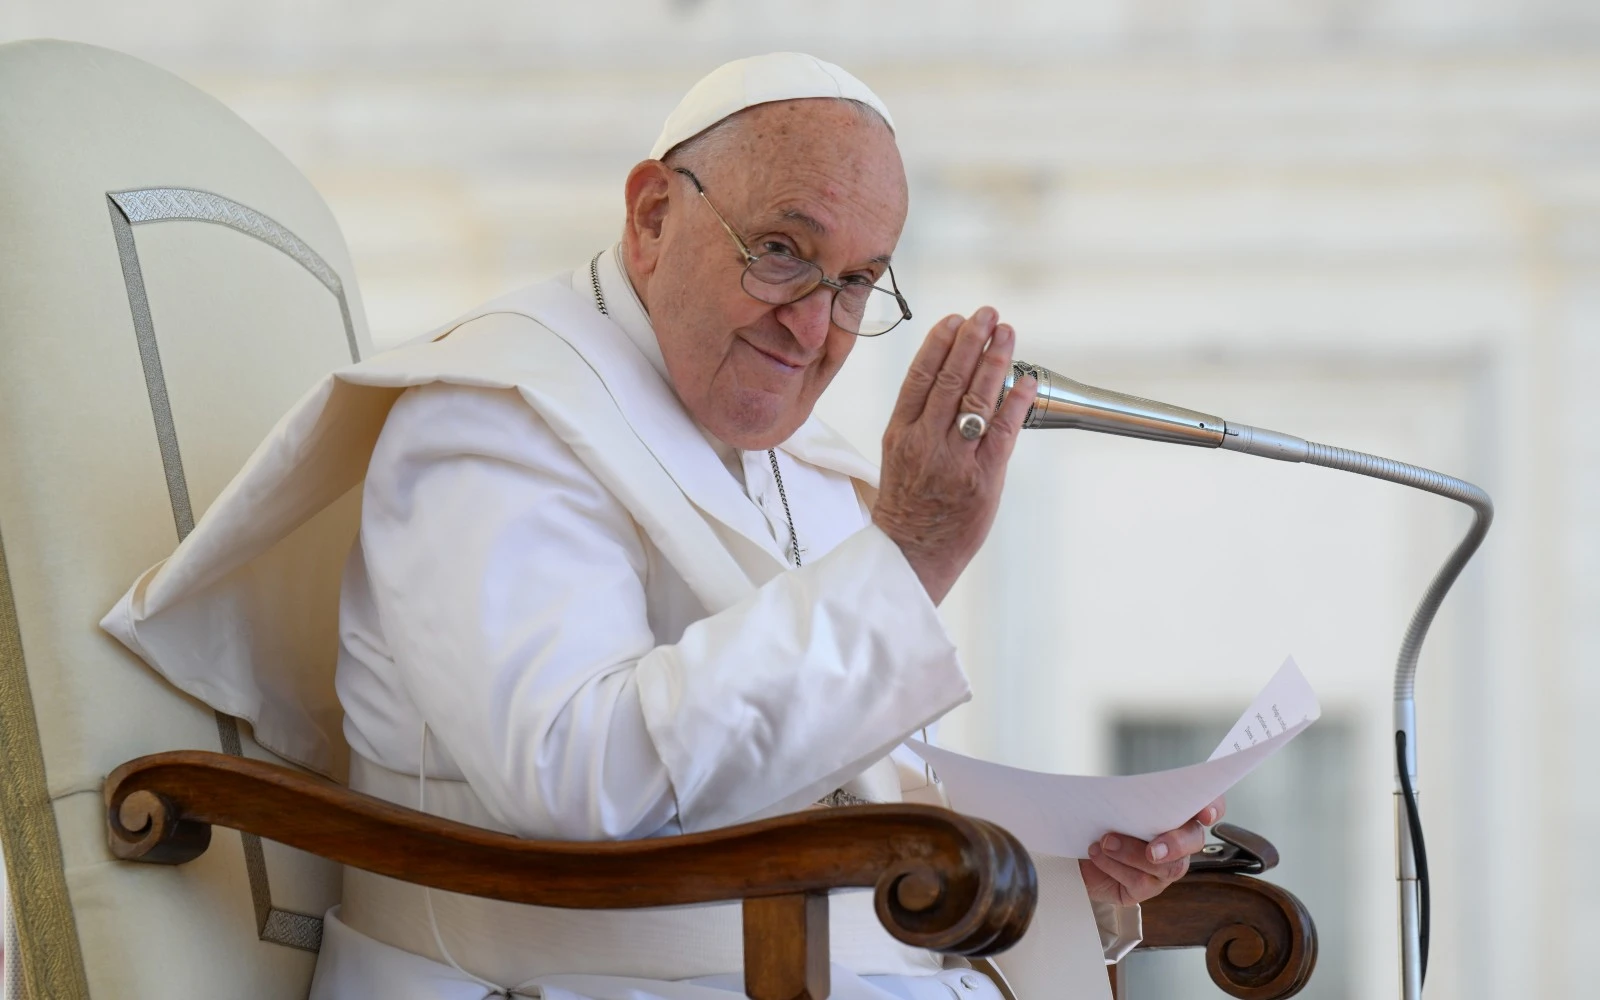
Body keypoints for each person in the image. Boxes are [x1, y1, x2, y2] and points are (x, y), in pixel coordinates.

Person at [105, 52, 1221, 1000]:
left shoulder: (810, 465)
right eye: (782, 249)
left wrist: (1065, 866)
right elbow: (575, 776)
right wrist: (909, 557)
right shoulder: (493, 420)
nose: (815, 326)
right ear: (651, 215)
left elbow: (839, 796)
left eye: (856, 283)